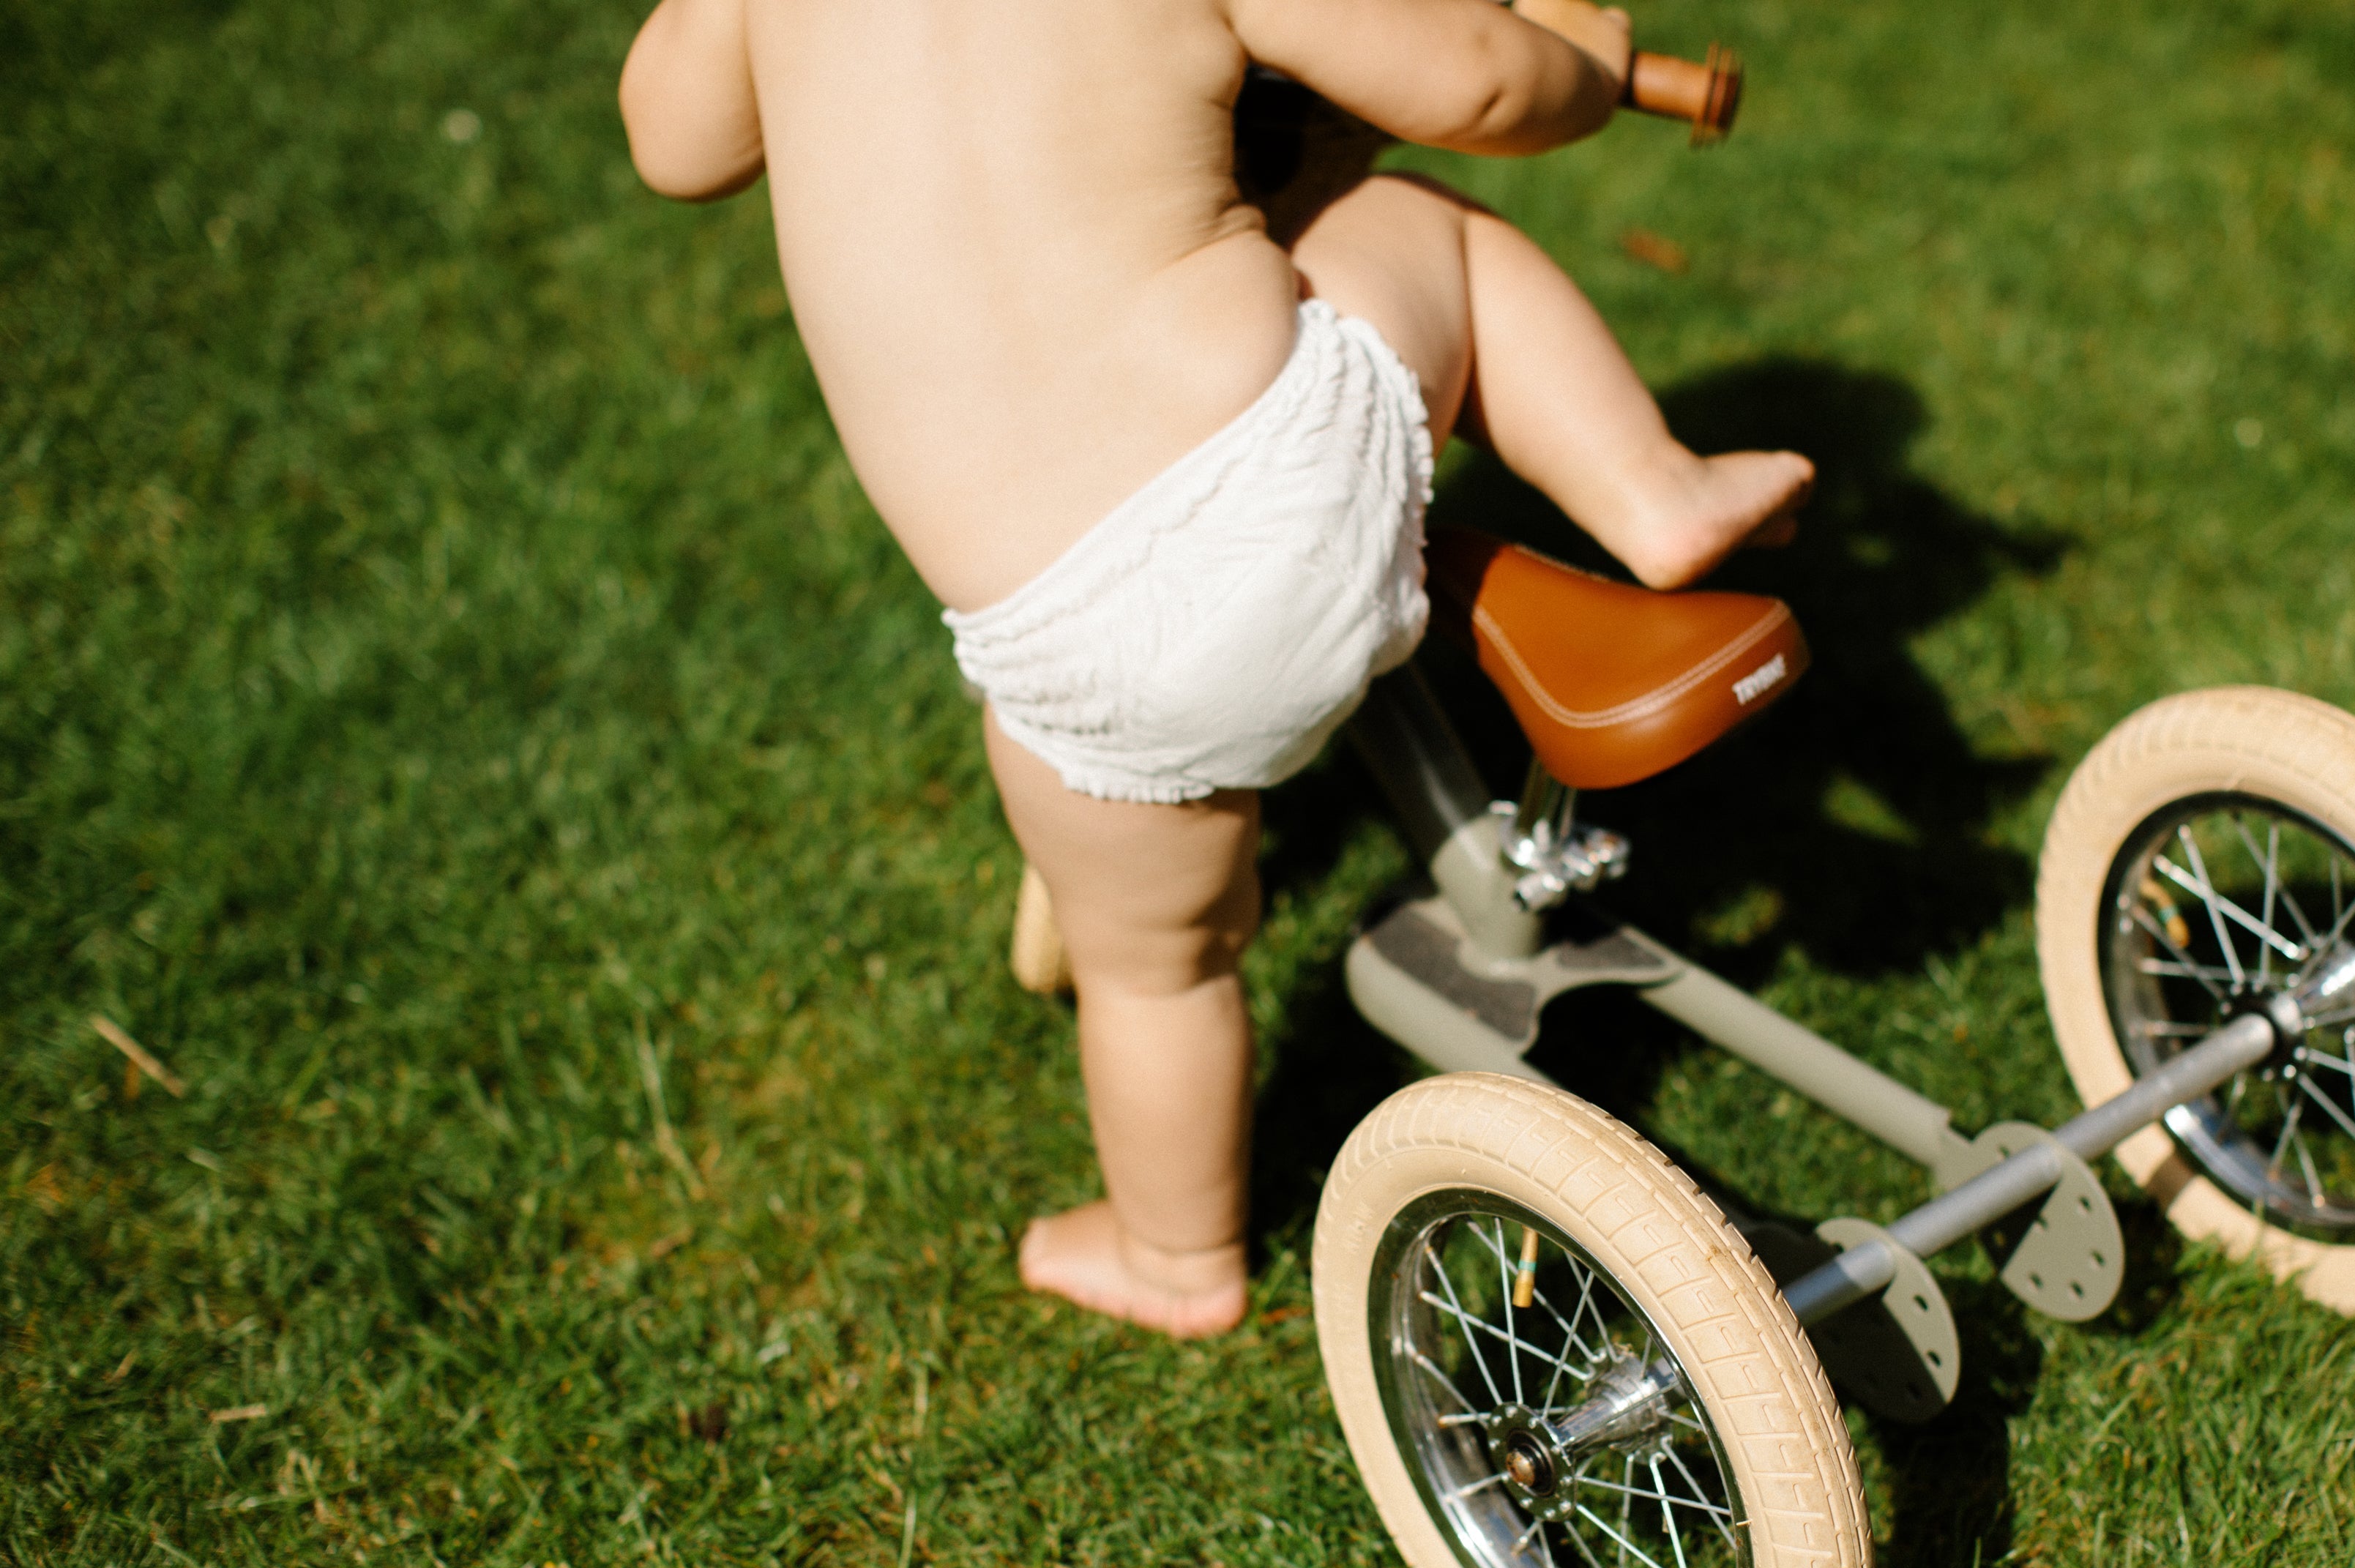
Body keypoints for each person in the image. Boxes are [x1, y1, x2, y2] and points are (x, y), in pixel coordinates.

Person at [619, 0, 1813, 1336]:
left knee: (1155, 966)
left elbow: (672, 141)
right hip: (1277, 481)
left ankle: (1171, 1254)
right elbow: (1475, 81)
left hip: (1049, 636)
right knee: (1427, 229)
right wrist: (1585, 67)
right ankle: (1655, 492)